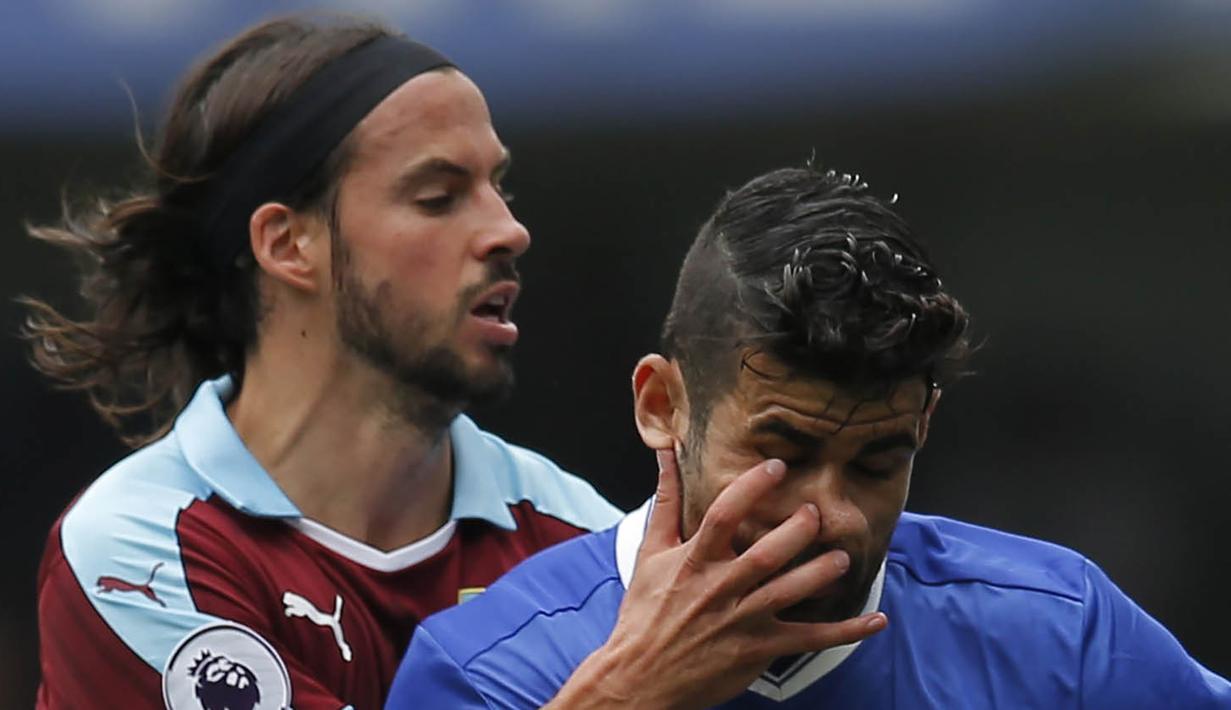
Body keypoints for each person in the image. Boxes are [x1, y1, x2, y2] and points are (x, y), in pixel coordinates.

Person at [25, 14, 889, 710]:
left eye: (498, 186)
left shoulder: (581, 536)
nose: (507, 230)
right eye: (437, 197)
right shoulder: (140, 554)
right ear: (288, 244)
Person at [387, 165, 1231, 709]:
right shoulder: (483, 672)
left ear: (923, 427)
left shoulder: (1060, 639)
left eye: (876, 462)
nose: (830, 517)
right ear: (661, 406)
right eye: (779, 454)